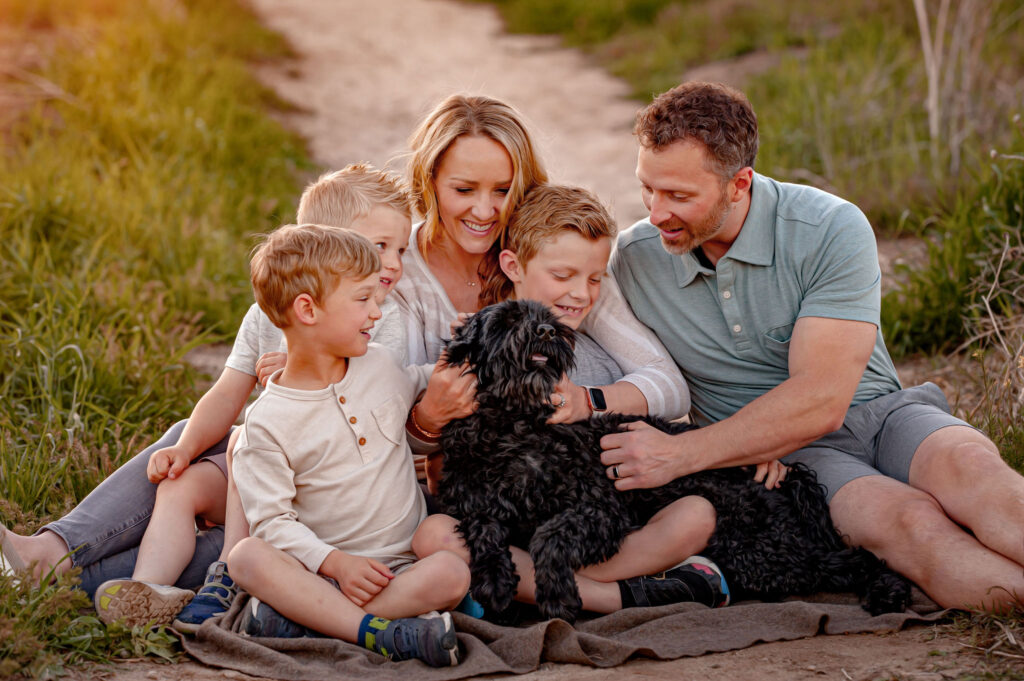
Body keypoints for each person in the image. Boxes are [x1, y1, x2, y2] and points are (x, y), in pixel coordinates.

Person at [602, 80, 1024, 613]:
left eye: (680, 196)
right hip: (790, 465)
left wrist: (679, 455)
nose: (656, 212)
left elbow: (822, 400)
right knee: (910, 521)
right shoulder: (634, 260)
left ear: (739, 184)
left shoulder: (828, 226)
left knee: (972, 466)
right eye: (648, 188)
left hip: (884, 414)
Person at [0, 163, 414, 625]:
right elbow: (227, 393)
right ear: (315, 240)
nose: (392, 264)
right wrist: (186, 448)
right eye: (378, 247)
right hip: (264, 460)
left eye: (400, 249)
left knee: (239, 464)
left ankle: (67, 584)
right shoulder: (269, 314)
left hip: (316, 490)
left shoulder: (375, 318)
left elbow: (369, 403)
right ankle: (77, 562)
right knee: (183, 462)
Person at [413, 184, 731, 614]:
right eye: (562, 277)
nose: (581, 293)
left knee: (694, 515)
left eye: (595, 279)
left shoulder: (590, 309)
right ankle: (621, 596)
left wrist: (588, 400)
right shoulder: (481, 337)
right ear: (513, 266)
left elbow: (672, 390)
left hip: (587, 519)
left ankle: (539, 585)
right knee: (437, 533)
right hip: (509, 518)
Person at [226, 223, 466, 667]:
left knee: (452, 570)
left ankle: (305, 619)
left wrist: (465, 358)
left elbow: (422, 381)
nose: (377, 312)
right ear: (307, 310)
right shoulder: (268, 423)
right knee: (247, 557)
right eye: (363, 299)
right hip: (320, 570)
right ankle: (377, 631)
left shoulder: (378, 364)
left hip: (402, 566)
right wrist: (334, 563)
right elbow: (273, 522)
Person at [395, 93, 691, 444]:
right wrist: (427, 422)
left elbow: (669, 386)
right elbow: (389, 417)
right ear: (429, 182)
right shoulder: (399, 272)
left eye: (503, 190)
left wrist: (587, 400)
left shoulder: (554, 255)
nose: (484, 210)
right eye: (464, 189)